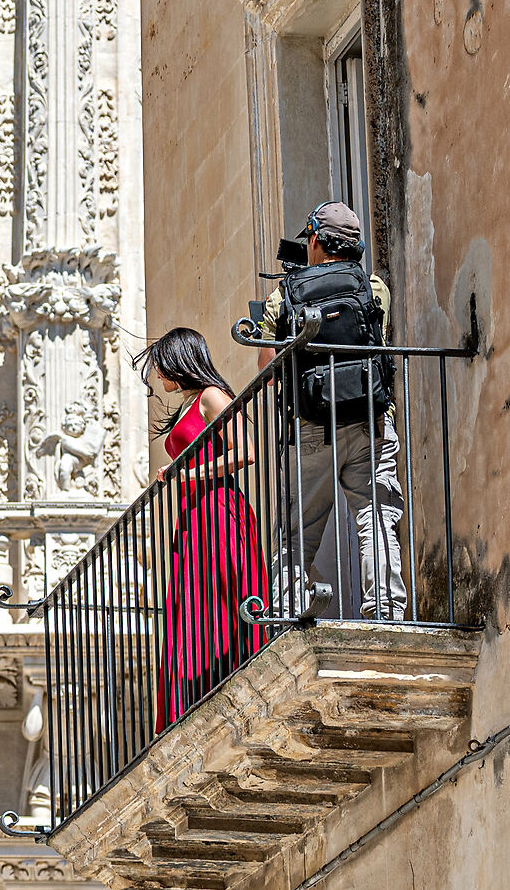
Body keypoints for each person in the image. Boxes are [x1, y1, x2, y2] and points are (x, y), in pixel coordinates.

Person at [255, 201, 408, 619]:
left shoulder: (282, 295)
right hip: (372, 422)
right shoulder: (373, 287)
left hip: (312, 426)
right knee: (375, 515)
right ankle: (385, 610)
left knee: (297, 532)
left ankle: (288, 610)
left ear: (317, 240)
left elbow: (267, 370)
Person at [135, 328, 266, 728]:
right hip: (194, 518)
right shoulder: (189, 404)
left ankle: (233, 678)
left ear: (179, 359)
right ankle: (195, 697)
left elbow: (246, 450)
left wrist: (189, 471)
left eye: (160, 367)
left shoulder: (211, 396)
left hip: (219, 510)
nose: (158, 377)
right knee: (190, 607)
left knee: (222, 596)